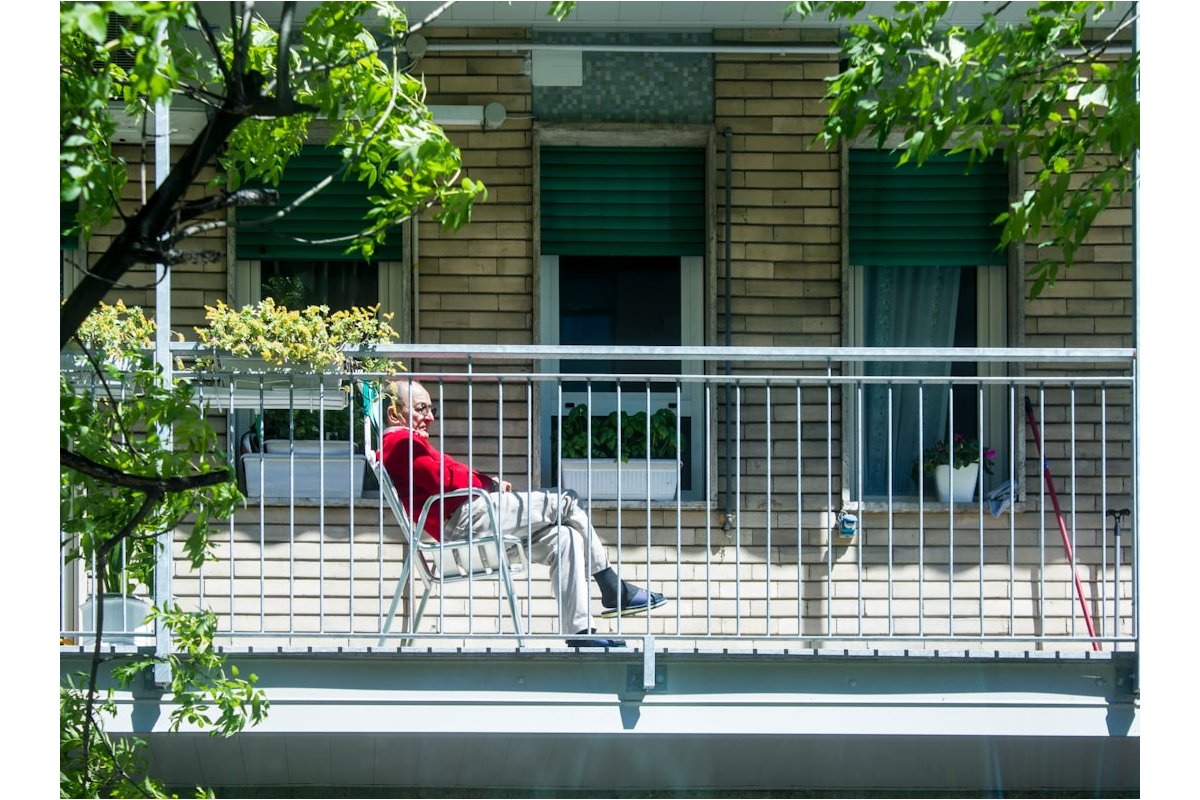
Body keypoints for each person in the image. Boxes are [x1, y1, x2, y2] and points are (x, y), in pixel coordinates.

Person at [379, 378, 667, 647]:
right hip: (466, 520)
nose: (429, 417)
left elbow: (449, 473)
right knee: (566, 500)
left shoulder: (409, 444)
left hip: (468, 524)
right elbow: (445, 478)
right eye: (420, 409)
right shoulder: (401, 444)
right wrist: (487, 483)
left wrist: (478, 479)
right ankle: (612, 586)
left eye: (432, 409)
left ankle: (581, 632)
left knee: (566, 538)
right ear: (394, 414)